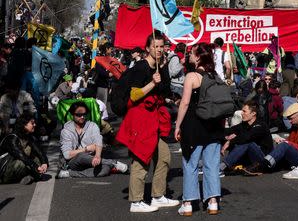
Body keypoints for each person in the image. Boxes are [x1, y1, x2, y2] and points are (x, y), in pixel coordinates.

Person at [116, 33, 180, 213]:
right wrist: (152, 83)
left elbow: (164, 91)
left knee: (164, 156)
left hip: (154, 118)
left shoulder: (160, 67)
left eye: (162, 46)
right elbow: (134, 95)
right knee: (141, 157)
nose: (159, 50)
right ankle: (136, 201)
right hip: (140, 118)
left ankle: (158, 195)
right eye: (156, 47)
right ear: (147, 48)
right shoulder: (140, 68)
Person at [175, 43, 226, 216]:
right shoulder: (215, 75)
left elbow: (185, 103)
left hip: (194, 124)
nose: (189, 55)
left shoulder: (191, 76)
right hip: (213, 124)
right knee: (211, 164)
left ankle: (188, 202)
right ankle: (212, 201)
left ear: (198, 57)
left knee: (190, 163)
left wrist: (177, 125)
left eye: (191, 53)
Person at [58, 101, 127, 179]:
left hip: (92, 159)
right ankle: (113, 163)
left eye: (84, 114)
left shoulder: (93, 125)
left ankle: (70, 174)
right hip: (74, 161)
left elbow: (98, 141)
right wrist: (86, 149)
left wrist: (97, 156)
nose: (82, 117)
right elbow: (67, 155)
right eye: (79, 115)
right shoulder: (66, 131)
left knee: (105, 170)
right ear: (72, 114)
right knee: (81, 156)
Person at [248, 102, 298, 178]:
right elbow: (290, 142)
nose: (290, 121)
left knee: (285, 145)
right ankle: (265, 164)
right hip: (297, 156)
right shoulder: (296, 126)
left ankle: (263, 165)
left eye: (291, 119)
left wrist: (288, 143)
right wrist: (283, 141)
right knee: (281, 144)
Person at [220, 101, 273, 174]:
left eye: (244, 111)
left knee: (247, 143)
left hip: (263, 159)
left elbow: (247, 137)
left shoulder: (261, 125)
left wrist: (230, 141)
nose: (241, 113)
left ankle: (222, 167)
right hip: (250, 158)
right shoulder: (244, 124)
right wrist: (223, 136)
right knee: (228, 138)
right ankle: (206, 164)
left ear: (253, 113)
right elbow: (230, 130)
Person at [0, 111, 47, 184]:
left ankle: (28, 177)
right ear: (24, 125)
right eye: (32, 123)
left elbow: (39, 151)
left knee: (37, 160)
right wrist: (36, 167)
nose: (35, 125)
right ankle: (31, 176)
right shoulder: (12, 138)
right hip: (4, 173)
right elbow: (21, 156)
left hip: (17, 165)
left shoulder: (29, 136)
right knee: (23, 163)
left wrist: (44, 163)